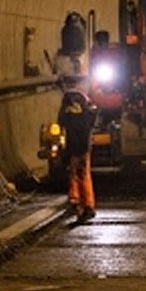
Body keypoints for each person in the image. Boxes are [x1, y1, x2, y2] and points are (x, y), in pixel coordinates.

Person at [58, 81, 99, 222]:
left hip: (72, 146)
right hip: (84, 147)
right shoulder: (86, 104)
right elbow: (92, 120)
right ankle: (86, 204)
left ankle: (78, 202)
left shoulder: (66, 105)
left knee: (74, 175)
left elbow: (61, 122)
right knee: (83, 175)